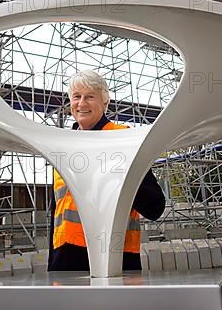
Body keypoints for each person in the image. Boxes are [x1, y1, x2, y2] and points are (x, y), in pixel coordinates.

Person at [48, 70, 165, 272]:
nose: (81, 103)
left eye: (90, 96)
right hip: (65, 261)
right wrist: (52, 265)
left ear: (104, 103)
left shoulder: (122, 139)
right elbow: (56, 215)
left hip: (115, 260)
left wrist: (118, 171)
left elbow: (155, 207)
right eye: (77, 96)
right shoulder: (63, 147)